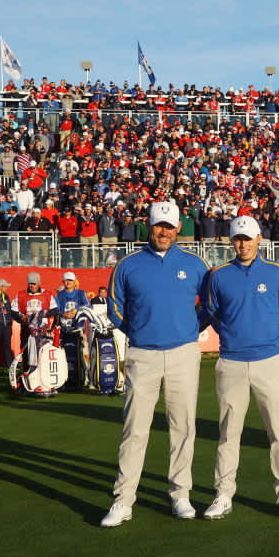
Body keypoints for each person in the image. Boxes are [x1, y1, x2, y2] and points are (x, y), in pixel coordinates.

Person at [100, 201, 210, 528]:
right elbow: (115, 306)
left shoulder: (195, 264)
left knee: (182, 426)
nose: (164, 231)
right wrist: (138, 332)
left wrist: (192, 329)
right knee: (135, 428)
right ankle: (123, 500)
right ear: (149, 225)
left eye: (170, 226)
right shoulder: (128, 265)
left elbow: (208, 305)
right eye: (159, 225)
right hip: (142, 355)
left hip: (183, 354)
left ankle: (180, 494)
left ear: (179, 228)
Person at [200, 216, 279, 520]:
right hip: (231, 362)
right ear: (231, 241)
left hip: (269, 361)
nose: (242, 244)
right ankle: (223, 493)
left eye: (247, 238)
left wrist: (271, 343)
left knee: (278, 432)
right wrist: (233, 339)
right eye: (237, 239)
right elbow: (212, 313)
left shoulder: (278, 272)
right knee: (229, 433)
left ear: (259, 239)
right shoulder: (218, 275)